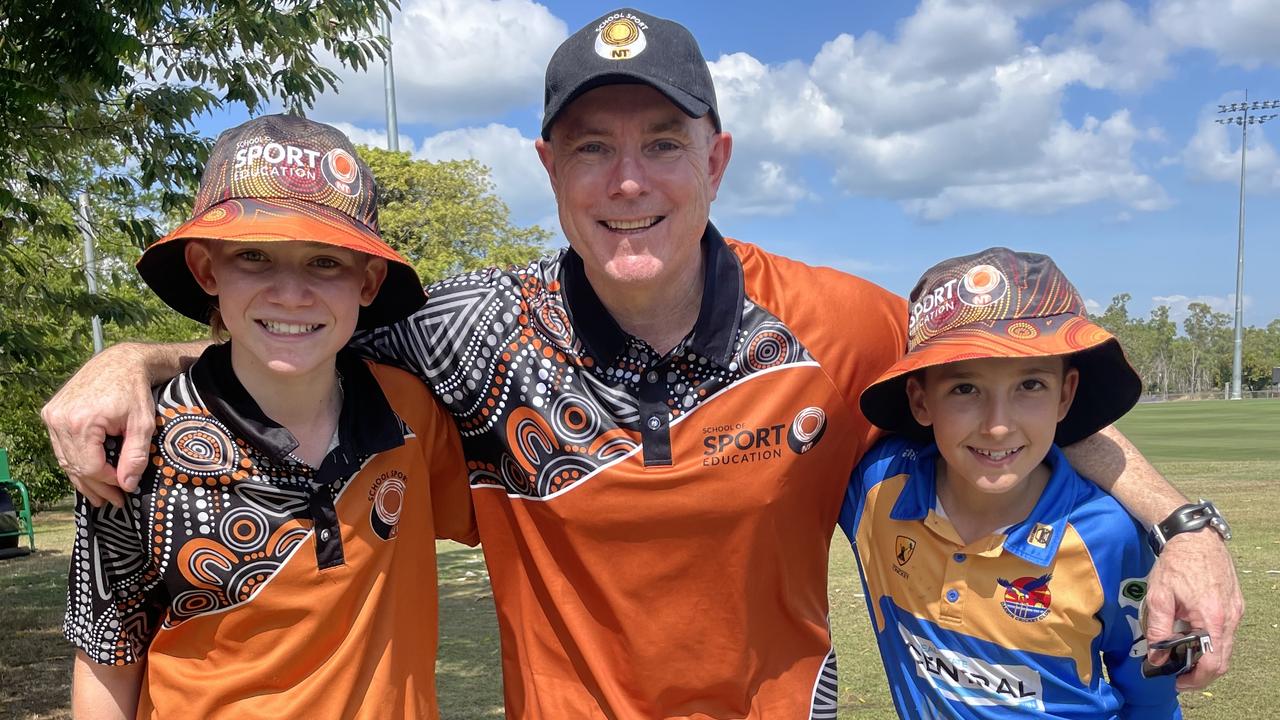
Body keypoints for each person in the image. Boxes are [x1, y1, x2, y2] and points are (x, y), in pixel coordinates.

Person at [44, 8, 1239, 718]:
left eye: (661, 144)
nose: (628, 183)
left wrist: (1183, 522)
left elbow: (1011, 393)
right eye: (591, 148)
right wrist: (136, 358)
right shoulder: (468, 333)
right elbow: (284, 329)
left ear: (715, 159)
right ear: (547, 167)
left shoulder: (841, 322)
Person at [63, 115, 476, 719]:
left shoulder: (410, 411)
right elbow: (106, 656)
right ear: (208, 270)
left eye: (325, 263)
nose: (290, 293)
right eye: (254, 256)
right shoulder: (135, 442)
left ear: (370, 280)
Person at [840, 247, 1182, 718]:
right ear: (920, 401)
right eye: (965, 389)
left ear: (1066, 395)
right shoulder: (877, 487)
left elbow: (1150, 699)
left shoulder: (1107, 534)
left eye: (1030, 386)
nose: (998, 426)